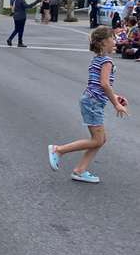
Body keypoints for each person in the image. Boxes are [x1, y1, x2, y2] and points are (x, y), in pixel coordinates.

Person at [48, 26, 128, 183]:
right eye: (113, 38)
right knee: (98, 139)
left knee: (101, 139)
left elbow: (97, 84)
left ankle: (80, 170)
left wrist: (116, 97)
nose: (115, 41)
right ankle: (59, 150)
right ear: (104, 42)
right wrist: (115, 104)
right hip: (93, 102)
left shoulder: (98, 59)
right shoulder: (106, 60)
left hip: (91, 100)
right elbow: (104, 84)